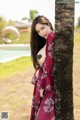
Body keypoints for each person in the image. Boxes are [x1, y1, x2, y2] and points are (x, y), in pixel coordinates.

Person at [30, 15, 55, 120]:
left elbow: (49, 66)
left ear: (48, 24)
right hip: (40, 85)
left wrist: (43, 86)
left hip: (47, 86)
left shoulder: (52, 37)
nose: (41, 33)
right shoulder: (45, 41)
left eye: (42, 28)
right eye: (38, 32)